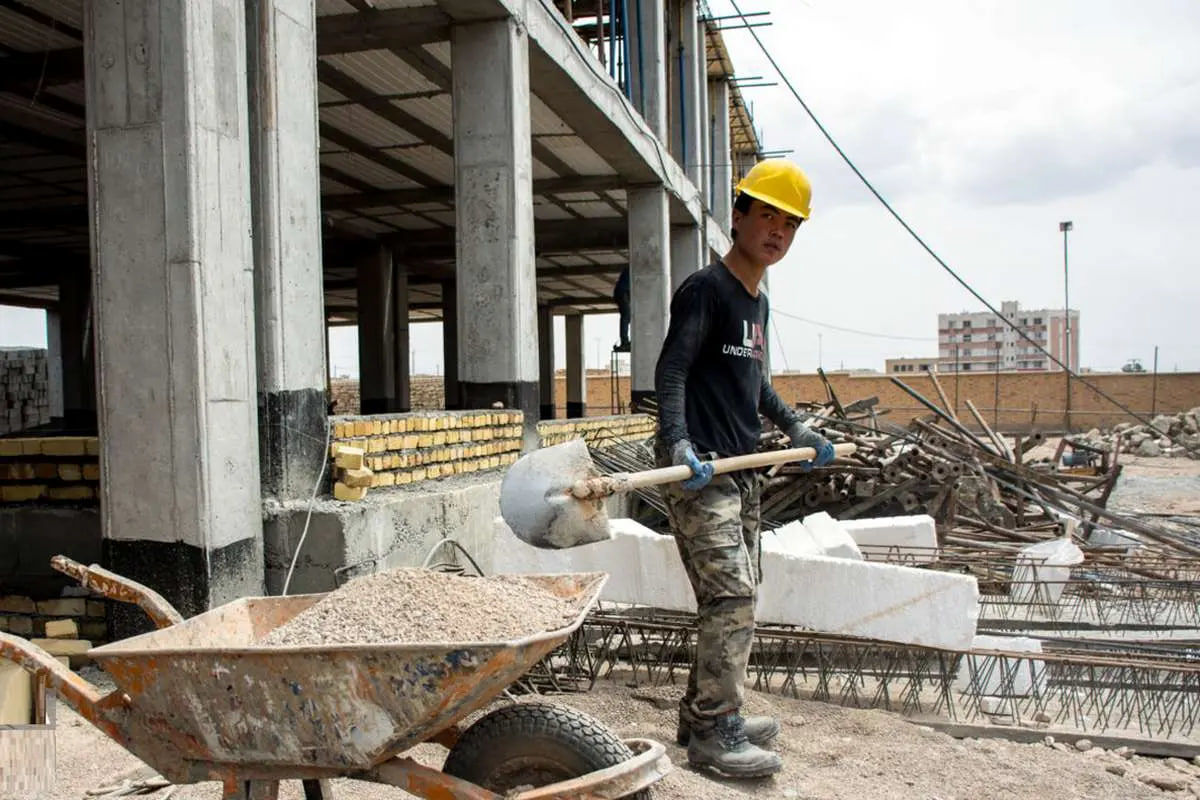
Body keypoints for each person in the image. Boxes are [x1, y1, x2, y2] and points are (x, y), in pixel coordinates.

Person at [653, 159, 835, 778]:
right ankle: (714, 732)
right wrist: (677, 444)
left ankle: (703, 713)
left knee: (735, 596)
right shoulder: (706, 289)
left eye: (790, 224)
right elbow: (672, 369)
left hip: (742, 471)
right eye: (767, 216)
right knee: (731, 596)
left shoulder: (758, 301)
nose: (777, 232)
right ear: (738, 215)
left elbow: (756, 385)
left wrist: (796, 428)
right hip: (699, 472)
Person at [612, 266, 631, 352]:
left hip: (621, 292)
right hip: (622, 292)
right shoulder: (634, 268)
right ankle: (624, 341)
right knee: (626, 316)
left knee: (627, 316)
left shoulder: (630, 268)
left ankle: (625, 341)